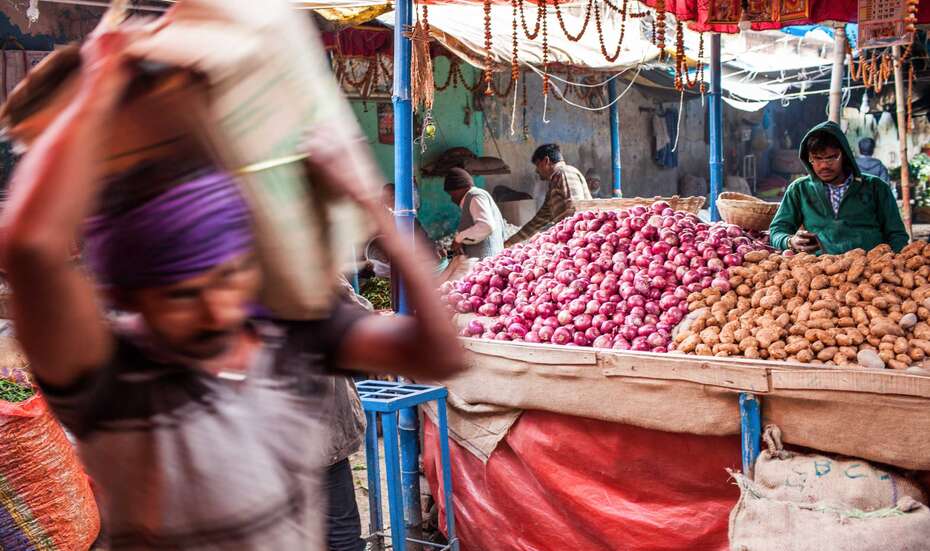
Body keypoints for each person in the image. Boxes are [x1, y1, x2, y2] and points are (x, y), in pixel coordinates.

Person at [0, 29, 462, 550]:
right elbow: (29, 249)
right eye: (179, 295)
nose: (214, 309)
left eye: (228, 277)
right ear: (131, 297)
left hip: (327, 466)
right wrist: (86, 103)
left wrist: (369, 200)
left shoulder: (283, 334)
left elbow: (439, 353)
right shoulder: (116, 379)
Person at [769, 121, 908, 255]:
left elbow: (897, 235)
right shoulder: (799, 189)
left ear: (845, 155)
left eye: (831, 158)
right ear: (808, 159)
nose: (823, 166)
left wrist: (892, 261)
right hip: (819, 270)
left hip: (869, 269)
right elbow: (777, 230)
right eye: (816, 159)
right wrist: (789, 241)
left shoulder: (876, 187)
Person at [506, 143, 591, 246]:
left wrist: (573, 242)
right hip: (570, 240)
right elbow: (540, 219)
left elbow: (575, 210)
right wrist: (511, 241)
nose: (537, 171)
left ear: (546, 161)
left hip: (578, 240)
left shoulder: (564, 173)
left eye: (537, 165)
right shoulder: (555, 181)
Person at [444, 167, 506, 259]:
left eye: (451, 194)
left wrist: (458, 239)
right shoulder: (475, 196)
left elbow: (486, 226)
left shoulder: (475, 196)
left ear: (460, 188)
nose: (452, 199)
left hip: (486, 263)